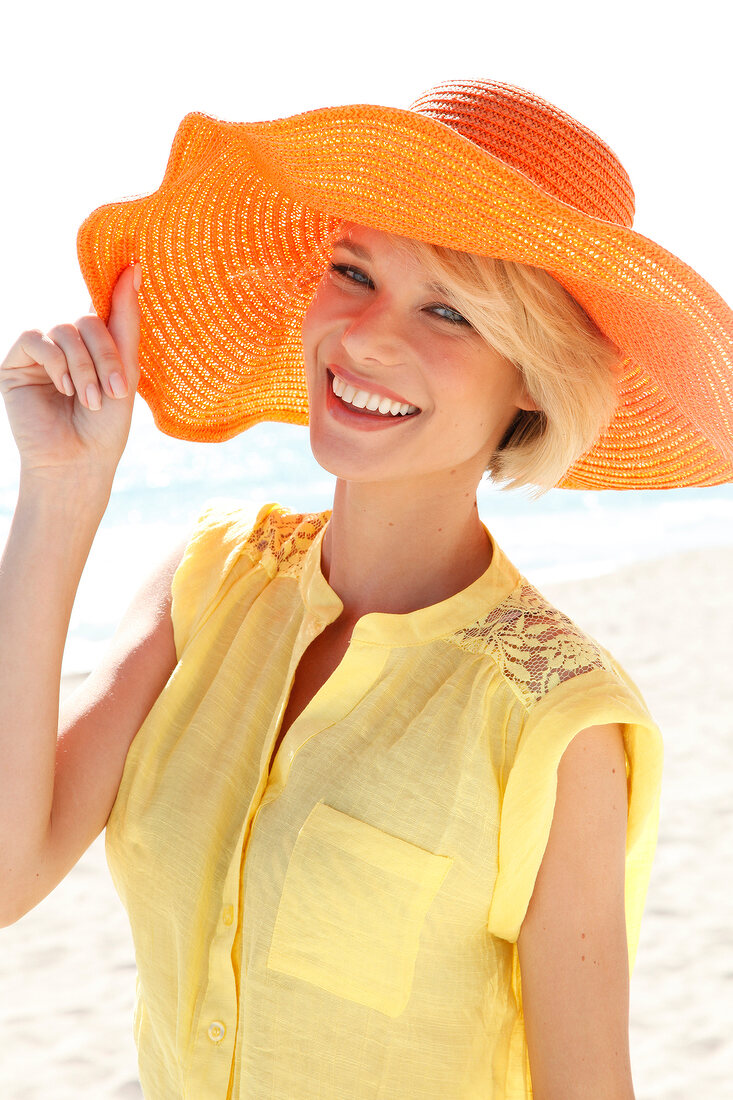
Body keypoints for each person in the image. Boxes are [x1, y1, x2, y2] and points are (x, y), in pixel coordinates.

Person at [1, 79, 731, 1100]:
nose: (365, 338)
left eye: (448, 309)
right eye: (353, 270)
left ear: (531, 372)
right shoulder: (208, 579)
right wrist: (62, 495)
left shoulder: (554, 722)